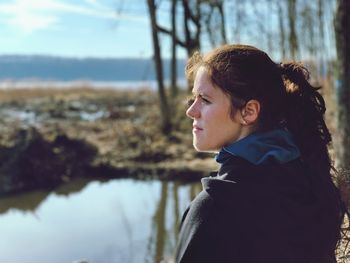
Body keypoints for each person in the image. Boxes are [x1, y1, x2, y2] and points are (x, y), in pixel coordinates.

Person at [175, 44, 347, 263]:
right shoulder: (309, 186)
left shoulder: (214, 209)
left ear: (249, 112)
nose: (191, 111)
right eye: (194, 98)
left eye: (205, 100)